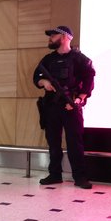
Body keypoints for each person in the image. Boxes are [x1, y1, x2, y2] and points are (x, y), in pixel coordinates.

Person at [33, 25, 95, 189]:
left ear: (65, 37)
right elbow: (36, 77)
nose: (50, 38)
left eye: (53, 35)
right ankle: (54, 174)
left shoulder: (79, 59)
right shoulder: (47, 60)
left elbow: (89, 79)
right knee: (53, 142)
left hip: (71, 106)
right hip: (51, 107)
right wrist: (44, 82)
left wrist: (79, 99)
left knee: (74, 142)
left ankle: (80, 177)